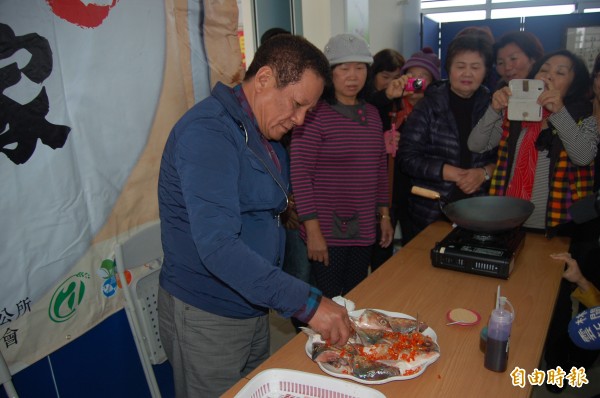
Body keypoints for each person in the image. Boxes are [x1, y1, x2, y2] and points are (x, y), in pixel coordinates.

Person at [157, 34, 352, 397]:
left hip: (254, 302)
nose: (300, 120)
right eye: (297, 104)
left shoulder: (262, 131)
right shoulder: (208, 133)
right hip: (208, 314)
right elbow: (218, 247)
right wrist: (308, 303)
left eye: (307, 111)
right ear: (263, 80)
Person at [290, 33, 394, 298]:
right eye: (344, 68)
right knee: (327, 301)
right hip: (325, 232)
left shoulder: (372, 114)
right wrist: (312, 230)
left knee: (355, 295)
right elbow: (300, 175)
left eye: (359, 68)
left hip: (364, 230)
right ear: (329, 74)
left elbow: (379, 170)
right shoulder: (315, 116)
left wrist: (384, 215)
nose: (352, 76)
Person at [468, 49, 598, 234]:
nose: (548, 76)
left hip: (556, 225)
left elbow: (583, 157)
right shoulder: (516, 114)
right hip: (507, 218)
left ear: (574, 85)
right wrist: (494, 109)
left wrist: (559, 112)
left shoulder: (586, 118)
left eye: (560, 72)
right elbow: (476, 145)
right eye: (543, 70)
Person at [398, 35, 496, 236]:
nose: (467, 73)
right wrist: (448, 172)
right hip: (431, 210)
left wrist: (484, 173)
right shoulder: (428, 105)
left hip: (481, 209)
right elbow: (407, 158)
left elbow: (506, 157)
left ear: (486, 71)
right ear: (449, 69)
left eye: (475, 67)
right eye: (460, 66)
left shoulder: (494, 106)